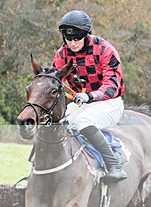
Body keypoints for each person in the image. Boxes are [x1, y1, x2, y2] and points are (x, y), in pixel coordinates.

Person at [52, 10, 127, 183]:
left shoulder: (105, 50)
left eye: (77, 38)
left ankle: (114, 164)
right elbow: (56, 77)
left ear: (86, 34)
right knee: (57, 124)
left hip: (109, 103)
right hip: (82, 103)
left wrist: (91, 96)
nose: (72, 43)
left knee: (83, 122)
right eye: (68, 38)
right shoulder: (62, 54)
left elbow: (112, 85)